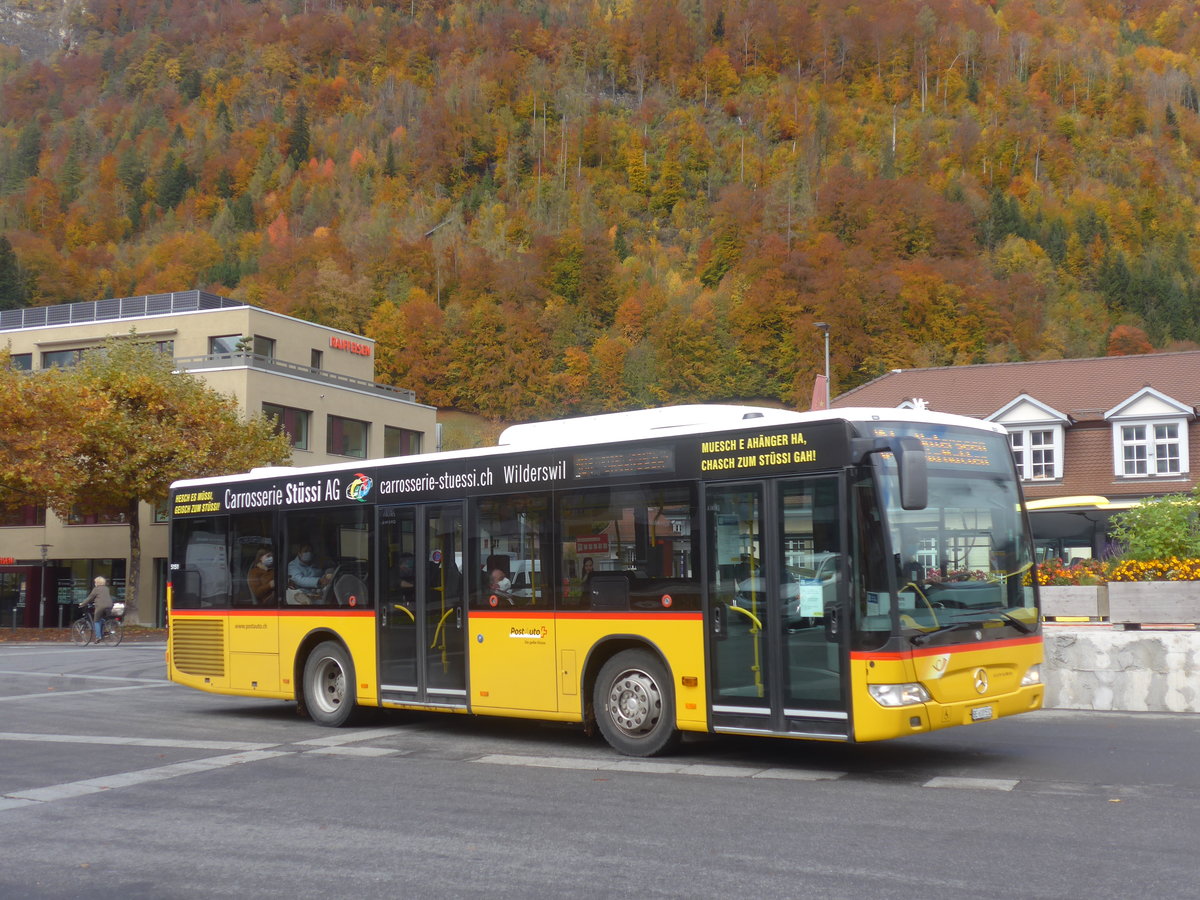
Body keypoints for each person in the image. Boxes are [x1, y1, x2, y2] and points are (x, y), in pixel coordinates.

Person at [78, 576, 113, 642]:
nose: (94, 583)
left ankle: (98, 637)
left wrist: (82, 604)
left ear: (97, 582)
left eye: (95, 582)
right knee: (102, 619)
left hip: (100, 606)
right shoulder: (106, 588)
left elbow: (90, 598)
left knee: (96, 621)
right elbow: (102, 597)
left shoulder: (96, 589)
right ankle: (103, 631)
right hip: (109, 605)